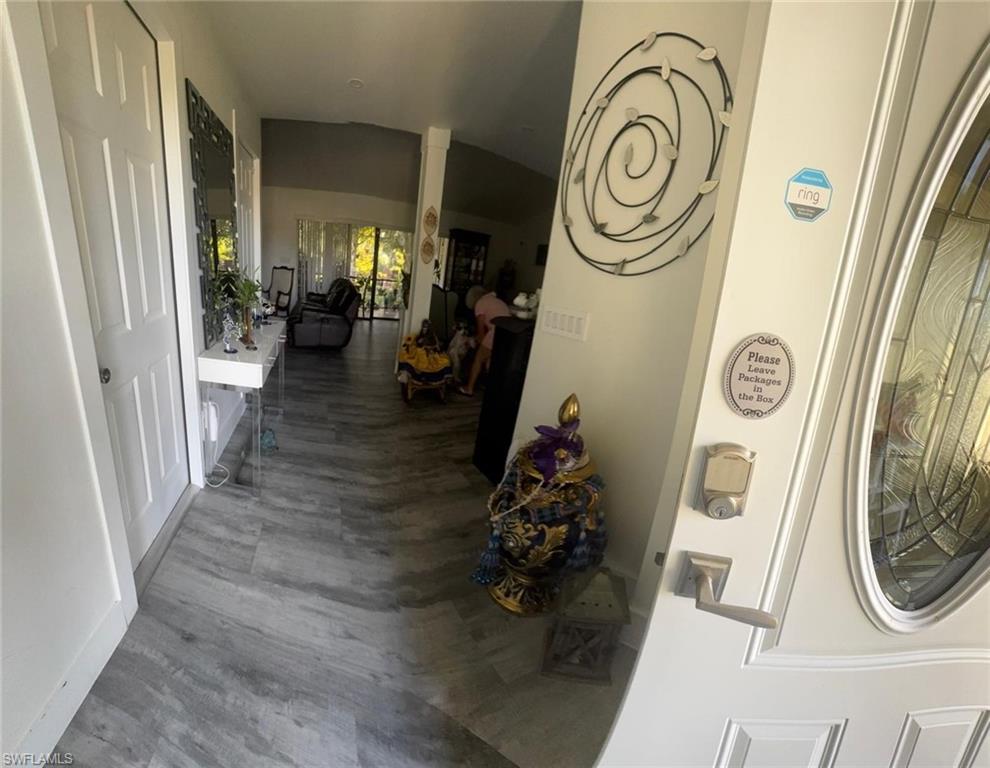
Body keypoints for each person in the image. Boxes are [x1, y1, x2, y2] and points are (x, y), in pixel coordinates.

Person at [459, 285, 510, 396]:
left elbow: (481, 331)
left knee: (478, 359)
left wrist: (473, 342)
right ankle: (491, 390)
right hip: (507, 335)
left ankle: (469, 388)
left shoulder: (480, 303)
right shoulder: (497, 301)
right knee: (490, 362)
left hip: (495, 333)